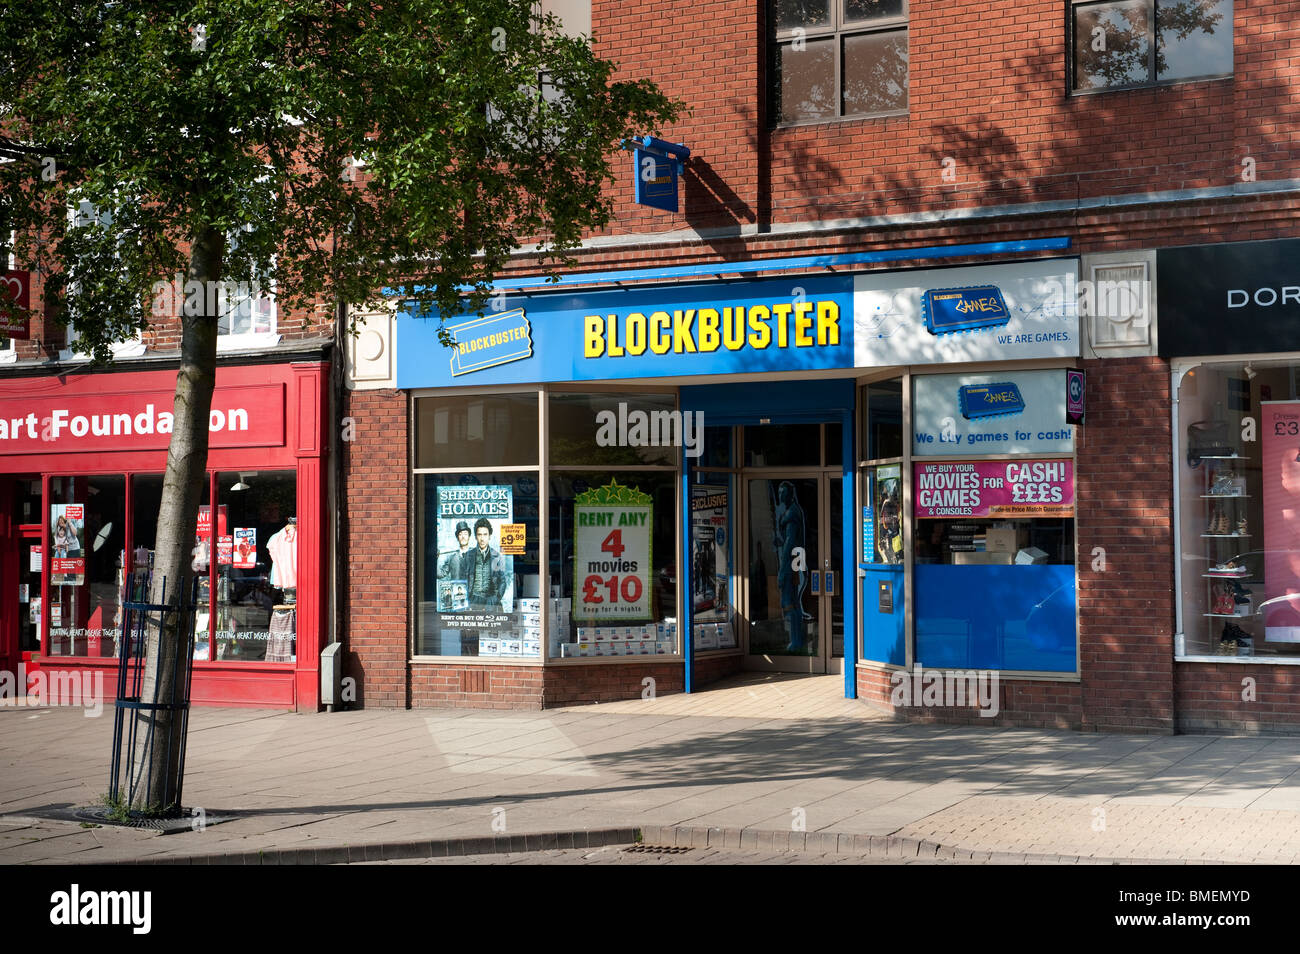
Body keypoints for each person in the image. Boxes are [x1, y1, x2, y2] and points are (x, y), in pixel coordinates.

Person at [774, 481, 808, 652]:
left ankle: (796, 641)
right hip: (795, 561)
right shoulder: (792, 512)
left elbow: (790, 541)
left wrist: (781, 570)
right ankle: (797, 640)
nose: (780, 495)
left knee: (789, 603)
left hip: (791, 562)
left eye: (783, 492)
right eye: (779, 492)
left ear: (790, 494)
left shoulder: (792, 514)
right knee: (793, 602)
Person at [466, 518, 508, 611]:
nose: (482, 538)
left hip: (491, 600)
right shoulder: (469, 555)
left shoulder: (496, 556)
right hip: (473, 600)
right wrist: (468, 597)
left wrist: (496, 598)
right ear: (476, 536)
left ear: (489, 536)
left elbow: (503, 581)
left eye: (485, 534)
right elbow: (463, 578)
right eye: (479, 534)